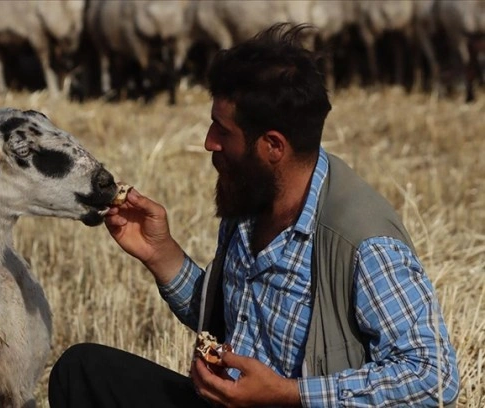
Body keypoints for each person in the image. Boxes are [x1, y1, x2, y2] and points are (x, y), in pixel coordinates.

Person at [48, 23, 460, 408]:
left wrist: (290, 394)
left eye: (222, 130)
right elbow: (235, 318)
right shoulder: (250, 197)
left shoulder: (363, 240)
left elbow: (433, 375)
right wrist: (161, 254)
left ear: (273, 146)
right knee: (82, 370)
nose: (209, 143)